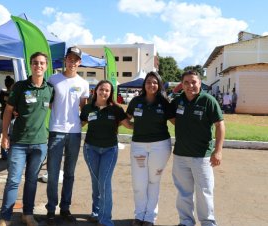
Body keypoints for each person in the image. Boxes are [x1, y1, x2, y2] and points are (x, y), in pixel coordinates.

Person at [0, 52, 54, 226]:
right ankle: (5, 218)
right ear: (31, 65)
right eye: (35, 63)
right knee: (13, 180)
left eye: (42, 63)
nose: (39, 66)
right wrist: (5, 135)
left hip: (39, 144)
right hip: (19, 143)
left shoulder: (50, 89)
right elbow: (8, 110)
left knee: (31, 182)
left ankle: (27, 214)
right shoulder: (20, 87)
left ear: (46, 66)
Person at [171, 70, 225, 226]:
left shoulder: (208, 100)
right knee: (183, 192)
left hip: (202, 157)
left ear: (200, 83)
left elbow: (220, 125)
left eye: (194, 82)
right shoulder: (178, 101)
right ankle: (186, 221)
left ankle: (208, 222)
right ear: (182, 85)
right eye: (186, 83)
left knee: (204, 191)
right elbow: (172, 118)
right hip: (180, 155)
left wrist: (218, 150)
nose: (190, 86)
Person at [45, 46, 89, 225]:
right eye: (70, 59)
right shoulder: (53, 79)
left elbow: (83, 108)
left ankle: (65, 208)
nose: (72, 62)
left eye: (76, 59)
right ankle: (50, 210)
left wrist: (80, 123)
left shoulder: (83, 84)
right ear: (65, 60)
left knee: (69, 173)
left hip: (74, 133)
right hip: (56, 131)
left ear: (79, 62)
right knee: (53, 173)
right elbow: (47, 104)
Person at [80, 80, 133, 226]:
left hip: (109, 150)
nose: (104, 92)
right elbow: (79, 123)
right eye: (101, 89)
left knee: (104, 182)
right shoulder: (87, 109)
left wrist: (147, 122)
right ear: (96, 90)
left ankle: (105, 219)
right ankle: (96, 211)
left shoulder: (116, 109)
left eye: (107, 91)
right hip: (90, 149)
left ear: (111, 93)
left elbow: (128, 125)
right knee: (96, 182)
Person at [126, 71, 174, 226]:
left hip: (160, 147)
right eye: (148, 82)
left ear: (159, 85)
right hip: (138, 146)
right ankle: (139, 215)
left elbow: (176, 122)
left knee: (154, 181)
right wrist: (137, 127)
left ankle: (150, 217)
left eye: (154, 82)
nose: (151, 85)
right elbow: (126, 120)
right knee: (139, 183)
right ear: (144, 84)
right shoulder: (136, 101)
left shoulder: (164, 102)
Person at [0, 76, 15, 160]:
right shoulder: (14, 93)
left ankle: (4, 155)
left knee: (4, 135)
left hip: (3, 116)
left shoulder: (2, 93)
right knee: (11, 136)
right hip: (12, 117)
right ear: (12, 85)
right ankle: (10, 154)